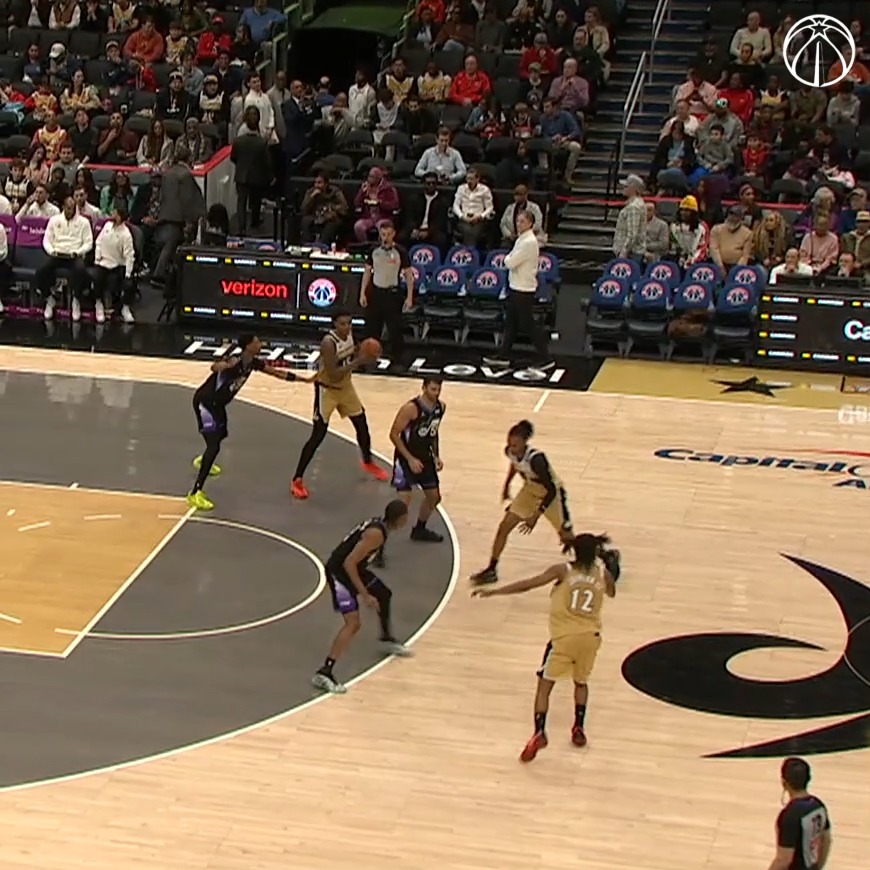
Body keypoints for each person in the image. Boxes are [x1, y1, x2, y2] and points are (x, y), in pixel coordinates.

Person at [473, 532, 619, 762]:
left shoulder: (563, 570)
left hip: (564, 637)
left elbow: (529, 585)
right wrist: (605, 570)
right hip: (591, 637)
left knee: (544, 684)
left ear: (574, 551)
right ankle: (578, 727)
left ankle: (539, 731)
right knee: (581, 682)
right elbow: (611, 592)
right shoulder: (602, 573)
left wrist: (496, 591)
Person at [188, 334, 313, 511]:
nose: (260, 344)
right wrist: (225, 365)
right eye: (256, 342)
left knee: (220, 435)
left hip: (218, 405)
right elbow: (214, 367)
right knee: (214, 446)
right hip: (206, 403)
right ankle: (195, 493)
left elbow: (277, 373)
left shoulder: (253, 363)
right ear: (247, 346)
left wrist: (304, 380)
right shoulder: (235, 359)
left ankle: (204, 460)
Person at [311, 500, 413, 695]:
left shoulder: (380, 527)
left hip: (355, 568)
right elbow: (349, 563)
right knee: (353, 623)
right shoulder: (376, 534)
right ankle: (324, 672)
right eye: (406, 517)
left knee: (384, 593)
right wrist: (365, 595)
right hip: (339, 572)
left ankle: (386, 638)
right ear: (400, 519)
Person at [290, 310, 389, 500]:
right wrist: (359, 361)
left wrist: (366, 351)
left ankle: (367, 461)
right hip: (327, 390)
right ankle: (297, 479)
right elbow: (334, 374)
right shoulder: (328, 343)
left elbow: (352, 353)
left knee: (362, 424)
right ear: (334, 324)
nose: (347, 327)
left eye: (349, 323)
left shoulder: (350, 335)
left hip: (345, 387)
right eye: (342, 324)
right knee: (317, 435)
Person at [470, 419, 573, 585]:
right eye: (509, 443)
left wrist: (535, 516)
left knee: (566, 536)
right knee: (504, 527)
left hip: (551, 494)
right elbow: (515, 465)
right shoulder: (509, 452)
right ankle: (492, 569)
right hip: (530, 489)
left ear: (525, 443)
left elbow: (552, 489)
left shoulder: (537, 459)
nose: (511, 448)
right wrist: (507, 485)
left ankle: (601, 555)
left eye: (515, 445)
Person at [375, 377, 445, 566]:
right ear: (424, 388)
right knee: (401, 506)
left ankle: (419, 529)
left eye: (438, 389)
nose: (436, 393)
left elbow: (433, 433)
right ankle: (378, 547)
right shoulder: (411, 408)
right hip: (405, 459)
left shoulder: (441, 407)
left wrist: (436, 456)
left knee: (434, 497)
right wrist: (410, 459)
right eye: (433, 389)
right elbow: (393, 434)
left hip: (425, 458)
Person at [484, 209, 552, 369]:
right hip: (517, 286)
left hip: (523, 289)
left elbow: (509, 262)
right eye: (517, 221)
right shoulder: (522, 239)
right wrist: (510, 257)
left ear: (530, 223)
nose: (518, 224)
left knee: (528, 325)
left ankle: (546, 358)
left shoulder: (528, 242)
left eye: (522, 221)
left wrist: (508, 258)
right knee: (511, 323)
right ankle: (503, 355)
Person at [360, 220, 414, 367]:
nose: (385, 237)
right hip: (376, 292)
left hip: (392, 293)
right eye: (383, 234)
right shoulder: (373, 250)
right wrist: (362, 293)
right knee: (372, 327)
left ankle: (398, 358)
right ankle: (369, 355)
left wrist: (409, 297)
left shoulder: (400, 252)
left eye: (388, 234)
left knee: (394, 328)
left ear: (393, 234)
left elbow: (409, 275)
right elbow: (367, 272)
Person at [39, 195, 93, 323]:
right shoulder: (54, 220)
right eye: (68, 208)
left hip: (74, 255)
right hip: (57, 253)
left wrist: (78, 252)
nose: (70, 211)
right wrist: (51, 251)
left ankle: (76, 299)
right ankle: (49, 299)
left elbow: (89, 243)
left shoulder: (84, 222)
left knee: (81, 270)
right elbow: (46, 240)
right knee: (41, 272)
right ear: (63, 207)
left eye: (72, 208)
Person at [771, 758, 832, 870]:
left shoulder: (790, 815)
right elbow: (826, 840)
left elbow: (783, 860)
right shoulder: (818, 805)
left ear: (784, 783)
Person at [230, 106, 272, 235]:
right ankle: (254, 224)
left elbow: (233, 157)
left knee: (241, 202)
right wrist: (270, 176)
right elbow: (267, 162)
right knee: (255, 202)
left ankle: (241, 228)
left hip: (241, 175)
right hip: (257, 176)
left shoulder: (238, 141)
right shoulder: (261, 142)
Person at [92, 205, 136, 324]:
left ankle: (125, 308)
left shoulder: (126, 234)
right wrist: (97, 259)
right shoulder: (107, 226)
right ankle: (98, 304)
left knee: (127, 284)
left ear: (120, 216)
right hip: (102, 262)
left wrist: (128, 274)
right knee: (96, 277)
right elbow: (99, 242)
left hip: (117, 265)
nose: (112, 214)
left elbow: (129, 255)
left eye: (115, 213)